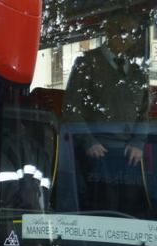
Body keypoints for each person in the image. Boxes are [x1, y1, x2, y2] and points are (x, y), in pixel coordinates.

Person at [63, 8, 151, 217]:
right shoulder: (86, 63)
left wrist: (138, 142)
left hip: (130, 155)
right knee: (102, 208)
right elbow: (71, 108)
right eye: (123, 31)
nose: (128, 37)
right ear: (109, 32)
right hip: (97, 152)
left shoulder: (138, 73)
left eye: (133, 33)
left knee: (131, 211)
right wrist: (89, 141)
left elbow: (144, 114)